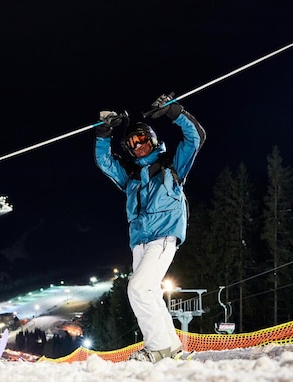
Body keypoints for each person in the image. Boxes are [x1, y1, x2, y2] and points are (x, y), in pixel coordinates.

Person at [94, 94, 206, 362]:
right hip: (140, 241)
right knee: (151, 291)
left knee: (138, 288)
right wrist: (104, 133)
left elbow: (196, 138)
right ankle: (173, 349)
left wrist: (174, 112)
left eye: (142, 138)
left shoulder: (171, 166)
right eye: (132, 143)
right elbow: (105, 162)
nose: (138, 145)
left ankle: (157, 349)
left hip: (164, 236)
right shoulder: (131, 175)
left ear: (153, 139)